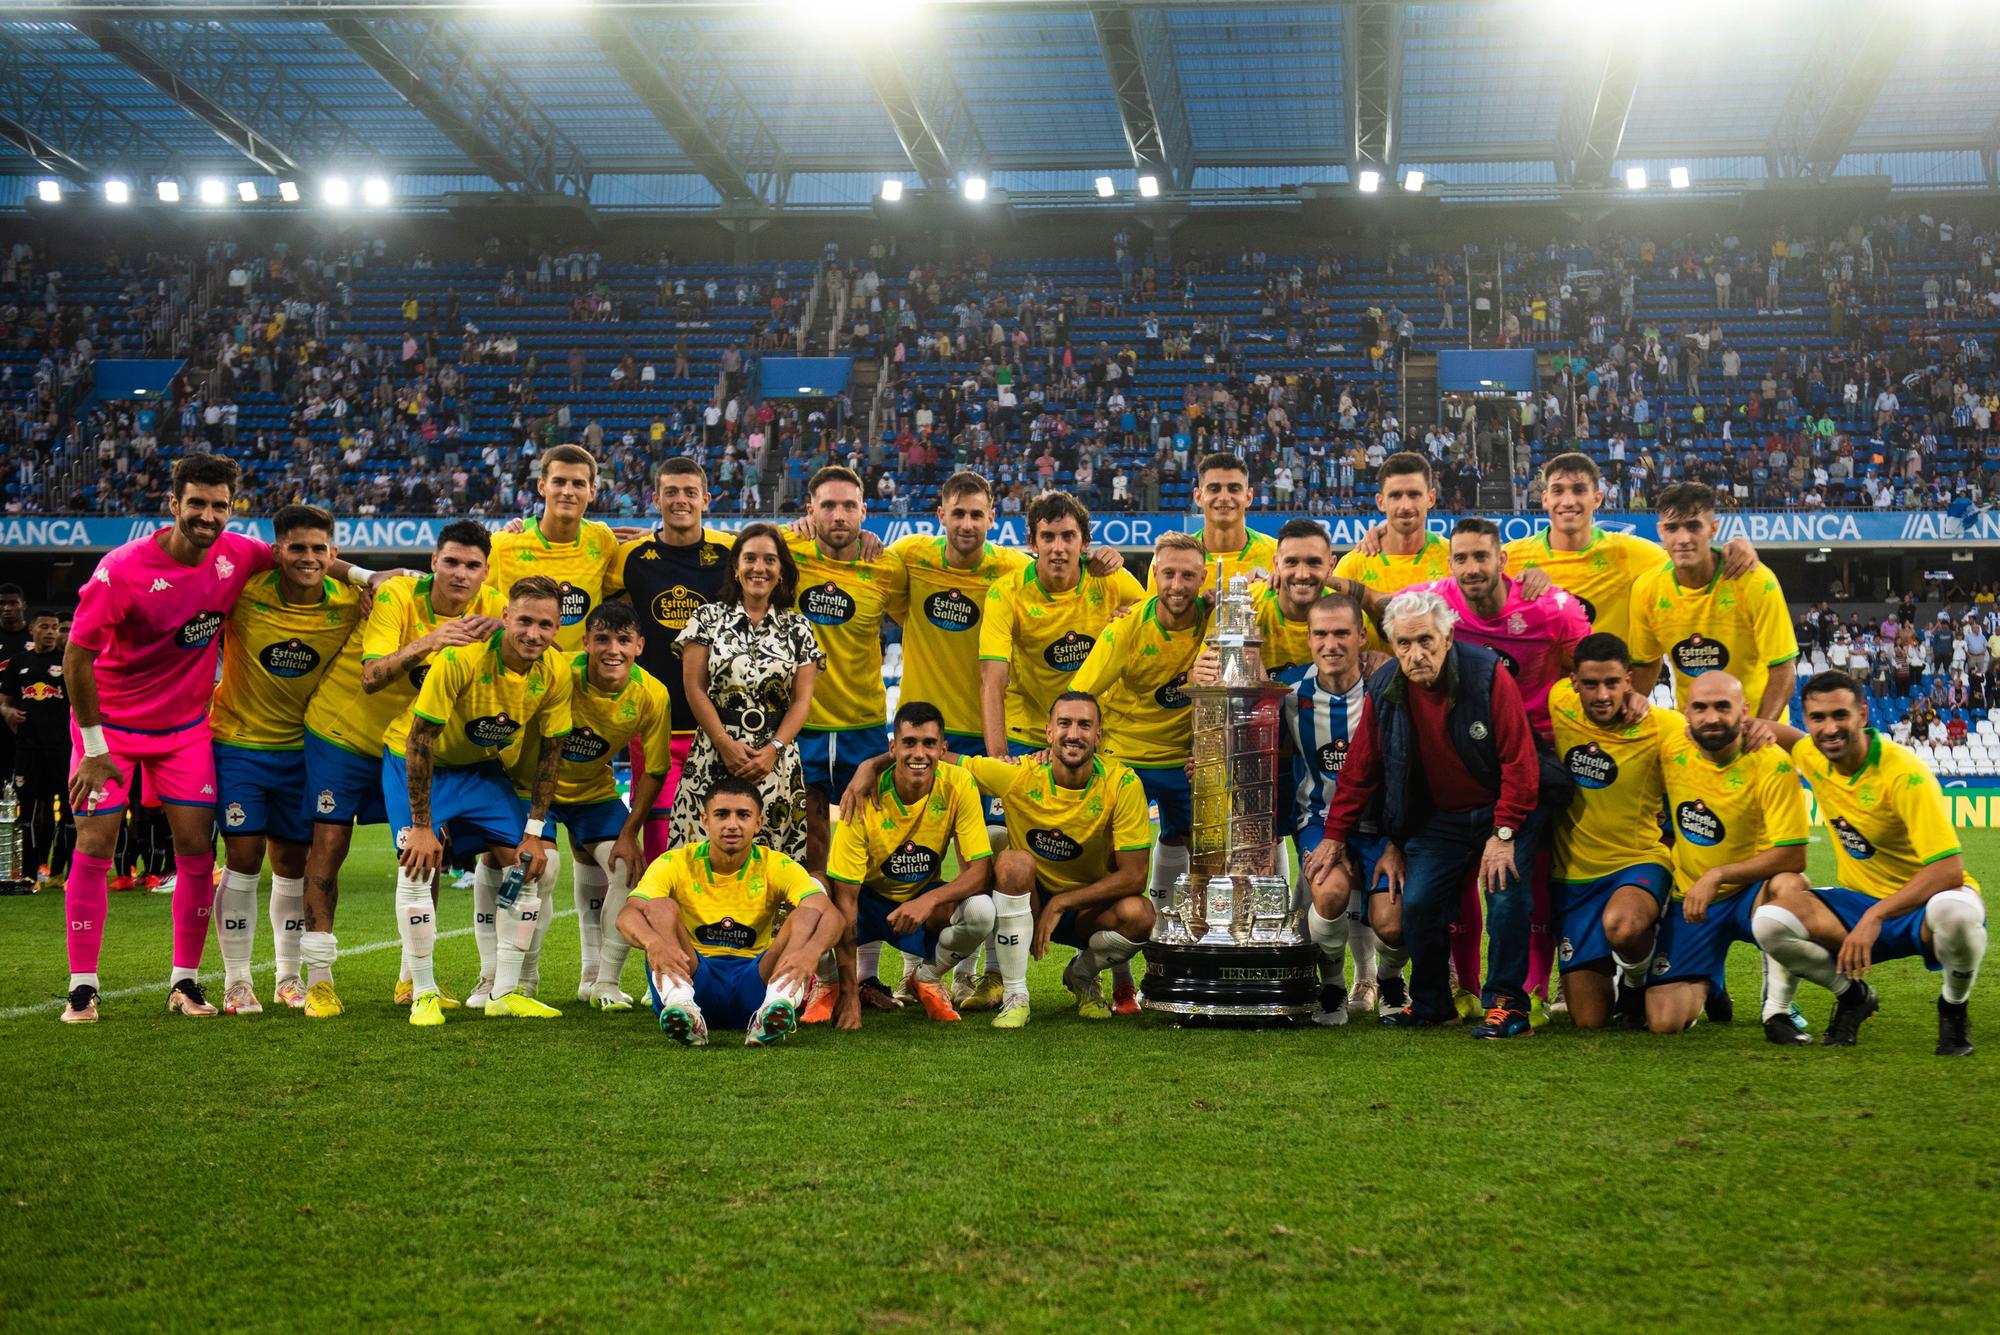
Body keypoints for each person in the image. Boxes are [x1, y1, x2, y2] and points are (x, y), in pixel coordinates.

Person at [59, 454, 375, 1025]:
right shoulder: (122, 569)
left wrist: (364, 577)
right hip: (113, 730)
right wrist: (95, 745)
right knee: (95, 845)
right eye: (197, 503)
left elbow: (310, 557)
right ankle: (82, 985)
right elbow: (76, 655)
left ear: (232, 508)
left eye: (219, 505)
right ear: (174, 503)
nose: (208, 516)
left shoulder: (240, 555)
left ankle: (185, 981)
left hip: (185, 732)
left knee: (198, 853)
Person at [1304, 589, 1542, 1039]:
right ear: (1392, 645)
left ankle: (1508, 1004)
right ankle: (1433, 1003)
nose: (1416, 654)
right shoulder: (1386, 686)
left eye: (1426, 641)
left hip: (1501, 812)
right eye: (1405, 644)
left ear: (1448, 636)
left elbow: (1519, 761)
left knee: (1506, 895)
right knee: (1417, 904)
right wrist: (1334, 835)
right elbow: (1360, 767)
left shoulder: (1487, 675)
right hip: (1440, 819)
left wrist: (1504, 832)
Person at [302, 521, 503, 1016]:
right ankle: (319, 980)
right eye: (451, 561)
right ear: (433, 561)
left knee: (424, 849)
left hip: (414, 745)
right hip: (344, 734)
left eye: (472, 565)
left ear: (485, 572)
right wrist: (431, 640)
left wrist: (506, 628)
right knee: (329, 846)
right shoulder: (398, 596)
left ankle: (413, 979)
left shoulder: (493, 605)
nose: (460, 573)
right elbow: (371, 677)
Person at [1406, 517, 1590, 1022]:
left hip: (1530, 759)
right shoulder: (1433, 604)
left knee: (1518, 882)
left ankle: (1516, 994)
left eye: (1480, 557)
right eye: (1461, 558)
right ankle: (1442, 995)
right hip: (1462, 756)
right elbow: (1382, 609)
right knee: (1446, 889)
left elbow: (1591, 664)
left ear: (1501, 561)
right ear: (1449, 566)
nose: (1471, 568)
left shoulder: (1548, 606)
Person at [1748, 671, 1986, 1055]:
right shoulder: (1814, 753)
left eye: (1840, 715)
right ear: (1806, 720)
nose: (1829, 728)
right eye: (1818, 718)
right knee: (1770, 922)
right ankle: (1853, 996)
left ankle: (1954, 1007)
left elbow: (1948, 870)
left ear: (1863, 713)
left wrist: (1876, 917)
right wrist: (1745, 724)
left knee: (1956, 915)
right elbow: (1786, 738)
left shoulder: (1904, 773)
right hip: (1857, 902)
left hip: (1923, 905)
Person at [391, 576, 573, 1027]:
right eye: (525, 621)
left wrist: (533, 832)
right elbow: (420, 741)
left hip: (479, 769)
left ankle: (503, 991)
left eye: (546, 625)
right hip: (418, 761)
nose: (534, 634)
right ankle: (424, 993)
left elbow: (552, 753)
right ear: (506, 617)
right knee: (417, 862)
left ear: (558, 628)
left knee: (533, 864)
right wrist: (421, 823)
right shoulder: (459, 659)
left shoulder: (556, 671)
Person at [208, 505, 365, 1015]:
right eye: (297, 547)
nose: (308, 557)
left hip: (305, 751)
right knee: (244, 858)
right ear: (277, 552)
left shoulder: (349, 603)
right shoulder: (245, 593)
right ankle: (236, 981)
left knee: (292, 864)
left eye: (319, 549)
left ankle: (287, 977)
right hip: (240, 745)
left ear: (334, 554)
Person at [1071, 531, 1212, 1014]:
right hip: (1126, 759)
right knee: (1118, 871)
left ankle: (1177, 959)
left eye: (1187, 575)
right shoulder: (1127, 628)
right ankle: (1121, 983)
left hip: (1186, 760)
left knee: (1202, 854)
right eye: (1167, 573)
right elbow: (1080, 694)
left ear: (1203, 578)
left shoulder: (1216, 623)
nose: (1176, 584)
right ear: (1153, 574)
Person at [954, 692, 1155, 1028]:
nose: (1073, 733)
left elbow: (1135, 877)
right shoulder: (1020, 774)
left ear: (1098, 736)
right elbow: (943, 759)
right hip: (1029, 901)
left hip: (1089, 910)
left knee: (1140, 916)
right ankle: (1016, 995)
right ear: (1048, 733)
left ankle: (1083, 976)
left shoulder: (1123, 784)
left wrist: (1061, 902)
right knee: (1012, 860)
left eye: (1084, 725)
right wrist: (874, 766)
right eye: (1064, 723)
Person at [617, 776, 844, 1048]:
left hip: (755, 984)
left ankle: (774, 1008)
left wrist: (810, 953)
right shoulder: (675, 862)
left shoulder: (775, 864)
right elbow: (628, 915)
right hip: (693, 977)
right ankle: (683, 1009)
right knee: (658, 906)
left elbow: (832, 916)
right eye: (722, 815)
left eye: (743, 815)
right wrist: (653, 943)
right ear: (705, 820)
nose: (732, 824)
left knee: (808, 915)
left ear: (758, 823)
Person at [1643, 671, 1809, 1035]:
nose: (1712, 717)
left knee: (1791, 886)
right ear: (1685, 712)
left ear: (1744, 711)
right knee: (1664, 1023)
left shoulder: (1772, 763)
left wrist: (1718, 875)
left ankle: (1778, 1005)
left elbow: (1794, 856)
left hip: (1751, 893)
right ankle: (1712, 982)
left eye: (1723, 707)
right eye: (1700, 708)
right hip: (1694, 899)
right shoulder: (1671, 747)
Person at [814, 701, 996, 1028]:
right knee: (815, 894)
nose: (919, 753)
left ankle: (925, 978)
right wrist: (852, 996)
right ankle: (831, 986)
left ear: (943, 749)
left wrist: (928, 900)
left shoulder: (959, 783)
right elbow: (846, 901)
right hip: (868, 903)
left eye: (928, 744)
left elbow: (980, 872)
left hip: (919, 901)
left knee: (982, 910)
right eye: (909, 743)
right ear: (893, 747)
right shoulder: (863, 793)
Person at [1271, 593, 1409, 1024]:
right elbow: (1251, 742)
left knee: (1393, 922)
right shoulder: (1290, 693)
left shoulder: (1389, 688)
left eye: (1341, 633)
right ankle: (1330, 985)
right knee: (1329, 894)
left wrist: (1399, 842)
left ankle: (1389, 979)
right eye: (1321, 634)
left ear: (1362, 637)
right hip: (1320, 821)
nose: (1331, 644)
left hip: (1383, 828)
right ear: (1309, 640)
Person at [668, 524, 823, 861]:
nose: (759, 567)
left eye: (770, 559)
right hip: (714, 753)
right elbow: (694, 688)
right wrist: (724, 744)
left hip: (776, 762)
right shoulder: (706, 618)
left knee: (772, 861)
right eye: (750, 558)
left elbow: (801, 701)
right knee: (699, 855)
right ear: (736, 568)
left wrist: (773, 749)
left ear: (781, 570)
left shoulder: (799, 628)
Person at [608, 458, 736, 859]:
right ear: (655, 498)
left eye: (690, 492)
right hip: (654, 725)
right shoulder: (629, 557)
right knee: (660, 850)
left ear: (706, 499)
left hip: (720, 727)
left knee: (722, 846)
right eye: (671, 492)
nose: (681, 500)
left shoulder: (731, 552)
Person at [548, 602, 672, 1012]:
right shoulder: (558, 670)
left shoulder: (652, 692)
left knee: (624, 867)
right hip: (533, 787)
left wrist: (628, 832)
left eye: (623, 640)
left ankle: (602, 982)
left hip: (593, 792)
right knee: (534, 869)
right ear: (585, 643)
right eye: (601, 638)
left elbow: (655, 770)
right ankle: (507, 982)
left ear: (639, 645)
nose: (612, 649)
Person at [1545, 635, 1673, 1030]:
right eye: (1591, 684)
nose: (1602, 694)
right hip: (1573, 876)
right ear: (1574, 682)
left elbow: (1726, 737)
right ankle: (1627, 971)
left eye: (1613, 683)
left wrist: (1791, 739)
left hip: (1638, 862)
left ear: (1630, 680)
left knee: (1624, 925)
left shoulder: (1662, 726)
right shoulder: (1559, 702)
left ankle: (1636, 980)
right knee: (1589, 1021)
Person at [1505, 453, 1757, 641]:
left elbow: (1692, 565)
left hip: (1608, 697)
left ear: (1597, 499)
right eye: (1558, 491)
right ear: (1545, 499)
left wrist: (1733, 546)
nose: (1568, 501)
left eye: (1579, 490)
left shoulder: (1630, 552)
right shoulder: (1512, 556)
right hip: (1540, 700)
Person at [784, 467, 892, 883]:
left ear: (864, 511)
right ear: (811, 510)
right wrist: (786, 532)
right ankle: (815, 938)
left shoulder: (886, 567)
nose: (839, 515)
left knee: (869, 842)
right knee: (808, 839)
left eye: (849, 505)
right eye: (828, 505)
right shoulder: (788, 553)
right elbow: (739, 548)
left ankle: (862, 945)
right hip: (803, 721)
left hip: (861, 724)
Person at [1629, 482, 1799, 719]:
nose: (1683, 538)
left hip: (1756, 726)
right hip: (1695, 732)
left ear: (1713, 529)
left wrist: (1761, 728)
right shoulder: (1647, 588)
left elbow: (1783, 668)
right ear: (1660, 531)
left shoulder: (1755, 581)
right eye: (1672, 528)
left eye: (1693, 526)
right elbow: (1646, 663)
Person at [1333, 453, 1452, 653]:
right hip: (1374, 682)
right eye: (1395, 496)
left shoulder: (1453, 557)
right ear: (1380, 501)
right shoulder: (1353, 565)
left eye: (1414, 494)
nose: (1405, 506)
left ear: (1430, 498)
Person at [2, 609, 70, 894]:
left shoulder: (67, 662)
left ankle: (60, 872)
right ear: (32, 630)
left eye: (55, 627)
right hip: (29, 750)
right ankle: (29, 874)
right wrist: (7, 712)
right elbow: (4, 701)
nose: (51, 632)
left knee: (68, 813)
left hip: (63, 749)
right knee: (26, 813)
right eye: (45, 626)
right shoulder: (19, 663)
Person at [1150, 452, 1279, 597]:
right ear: (1198, 497)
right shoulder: (1169, 559)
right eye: (1214, 489)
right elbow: (1158, 616)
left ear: (1248, 497)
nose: (1224, 497)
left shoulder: (1278, 554)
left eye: (1234, 489)